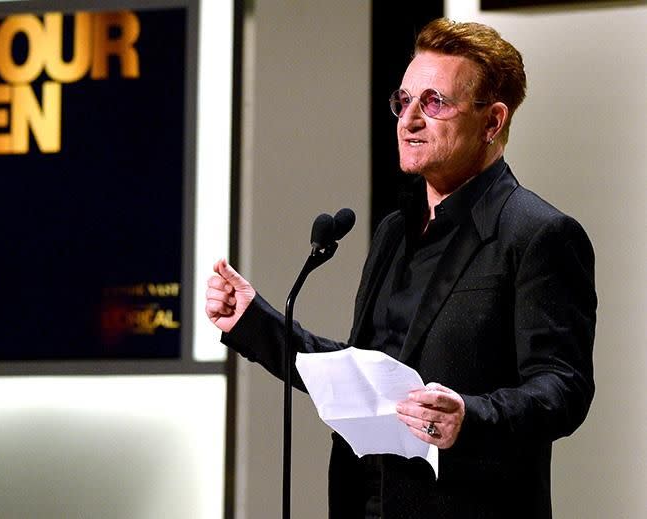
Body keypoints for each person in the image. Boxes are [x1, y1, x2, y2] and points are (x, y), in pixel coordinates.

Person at [205, 18, 596, 519]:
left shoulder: (537, 234)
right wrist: (252, 322)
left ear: (492, 122)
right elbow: (361, 376)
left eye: (434, 103)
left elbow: (562, 388)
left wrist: (470, 418)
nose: (409, 119)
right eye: (403, 100)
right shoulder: (394, 232)